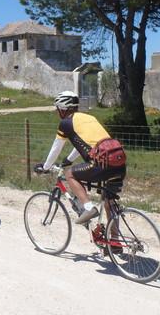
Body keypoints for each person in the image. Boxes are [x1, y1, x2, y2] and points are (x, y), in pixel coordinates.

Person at [35, 91, 127, 226]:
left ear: (62, 109)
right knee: (110, 203)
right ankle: (114, 239)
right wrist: (69, 159)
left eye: (57, 109)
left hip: (101, 164)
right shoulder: (89, 118)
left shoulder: (66, 123)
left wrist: (45, 167)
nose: (57, 112)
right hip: (119, 163)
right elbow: (86, 143)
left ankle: (89, 208)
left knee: (70, 174)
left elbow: (56, 147)